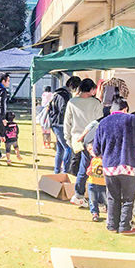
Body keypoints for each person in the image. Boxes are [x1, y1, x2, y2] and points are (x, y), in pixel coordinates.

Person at [93, 98, 135, 235]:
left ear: (112, 111)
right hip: (128, 164)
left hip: (109, 166)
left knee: (112, 197)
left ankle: (112, 225)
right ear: (125, 109)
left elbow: (96, 149)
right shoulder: (131, 119)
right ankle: (125, 227)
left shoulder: (103, 122)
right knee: (128, 198)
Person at [64, 78, 103, 208]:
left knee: (83, 167)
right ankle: (97, 200)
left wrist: (67, 138)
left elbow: (67, 122)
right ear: (91, 89)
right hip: (91, 139)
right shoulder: (96, 103)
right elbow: (99, 122)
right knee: (95, 168)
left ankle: (79, 195)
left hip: (76, 139)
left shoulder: (72, 102)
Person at [48, 76, 81, 174]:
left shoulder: (57, 93)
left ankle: (57, 171)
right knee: (68, 148)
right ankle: (65, 171)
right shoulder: (64, 95)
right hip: (60, 124)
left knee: (60, 149)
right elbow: (64, 111)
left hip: (55, 123)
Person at [85, 142, 106, 223]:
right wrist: (89, 171)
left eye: (91, 149)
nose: (90, 152)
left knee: (106, 199)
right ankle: (95, 213)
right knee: (92, 199)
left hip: (103, 184)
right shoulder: (93, 160)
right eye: (89, 150)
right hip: (92, 182)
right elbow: (90, 168)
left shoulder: (104, 159)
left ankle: (110, 213)